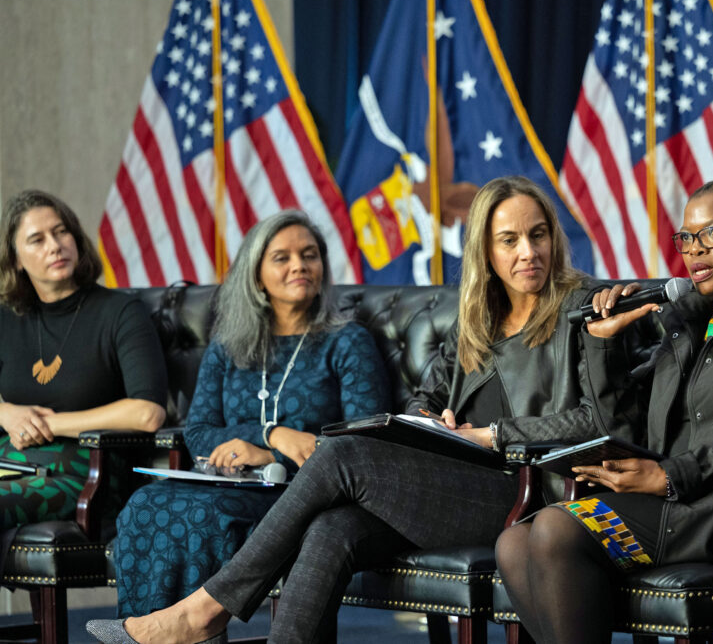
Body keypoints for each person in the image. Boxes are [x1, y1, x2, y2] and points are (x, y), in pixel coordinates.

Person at [88, 175, 612, 644]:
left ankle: (204, 611)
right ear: (486, 252)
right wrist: (432, 422)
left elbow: (597, 420)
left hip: (526, 493)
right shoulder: (477, 318)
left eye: (537, 234)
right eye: (509, 240)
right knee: (330, 531)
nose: (528, 252)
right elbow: (423, 401)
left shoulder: (583, 308)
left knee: (342, 455)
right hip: (451, 487)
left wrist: (491, 434)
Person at [495, 175, 713, 644]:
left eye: (712, 234)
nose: (695, 250)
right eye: (686, 238)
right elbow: (622, 424)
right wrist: (605, 347)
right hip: (672, 500)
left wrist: (669, 476)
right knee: (514, 541)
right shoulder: (692, 322)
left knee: (557, 529)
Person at [111, 210, 391, 617]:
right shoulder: (227, 346)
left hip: (302, 495)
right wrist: (271, 436)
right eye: (282, 257)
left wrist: (271, 458)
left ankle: (188, 630)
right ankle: (141, 633)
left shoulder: (347, 342)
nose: (299, 265)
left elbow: (363, 446)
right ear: (257, 274)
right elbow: (200, 432)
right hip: (226, 483)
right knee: (144, 503)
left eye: (309, 255)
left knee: (200, 517)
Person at [0, 189, 167, 530]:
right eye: (37, 239)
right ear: (16, 259)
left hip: (88, 471)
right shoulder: (7, 317)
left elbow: (148, 413)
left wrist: (48, 425)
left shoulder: (120, 312)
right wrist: (7, 413)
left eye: (61, 232)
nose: (54, 245)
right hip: (12, 463)